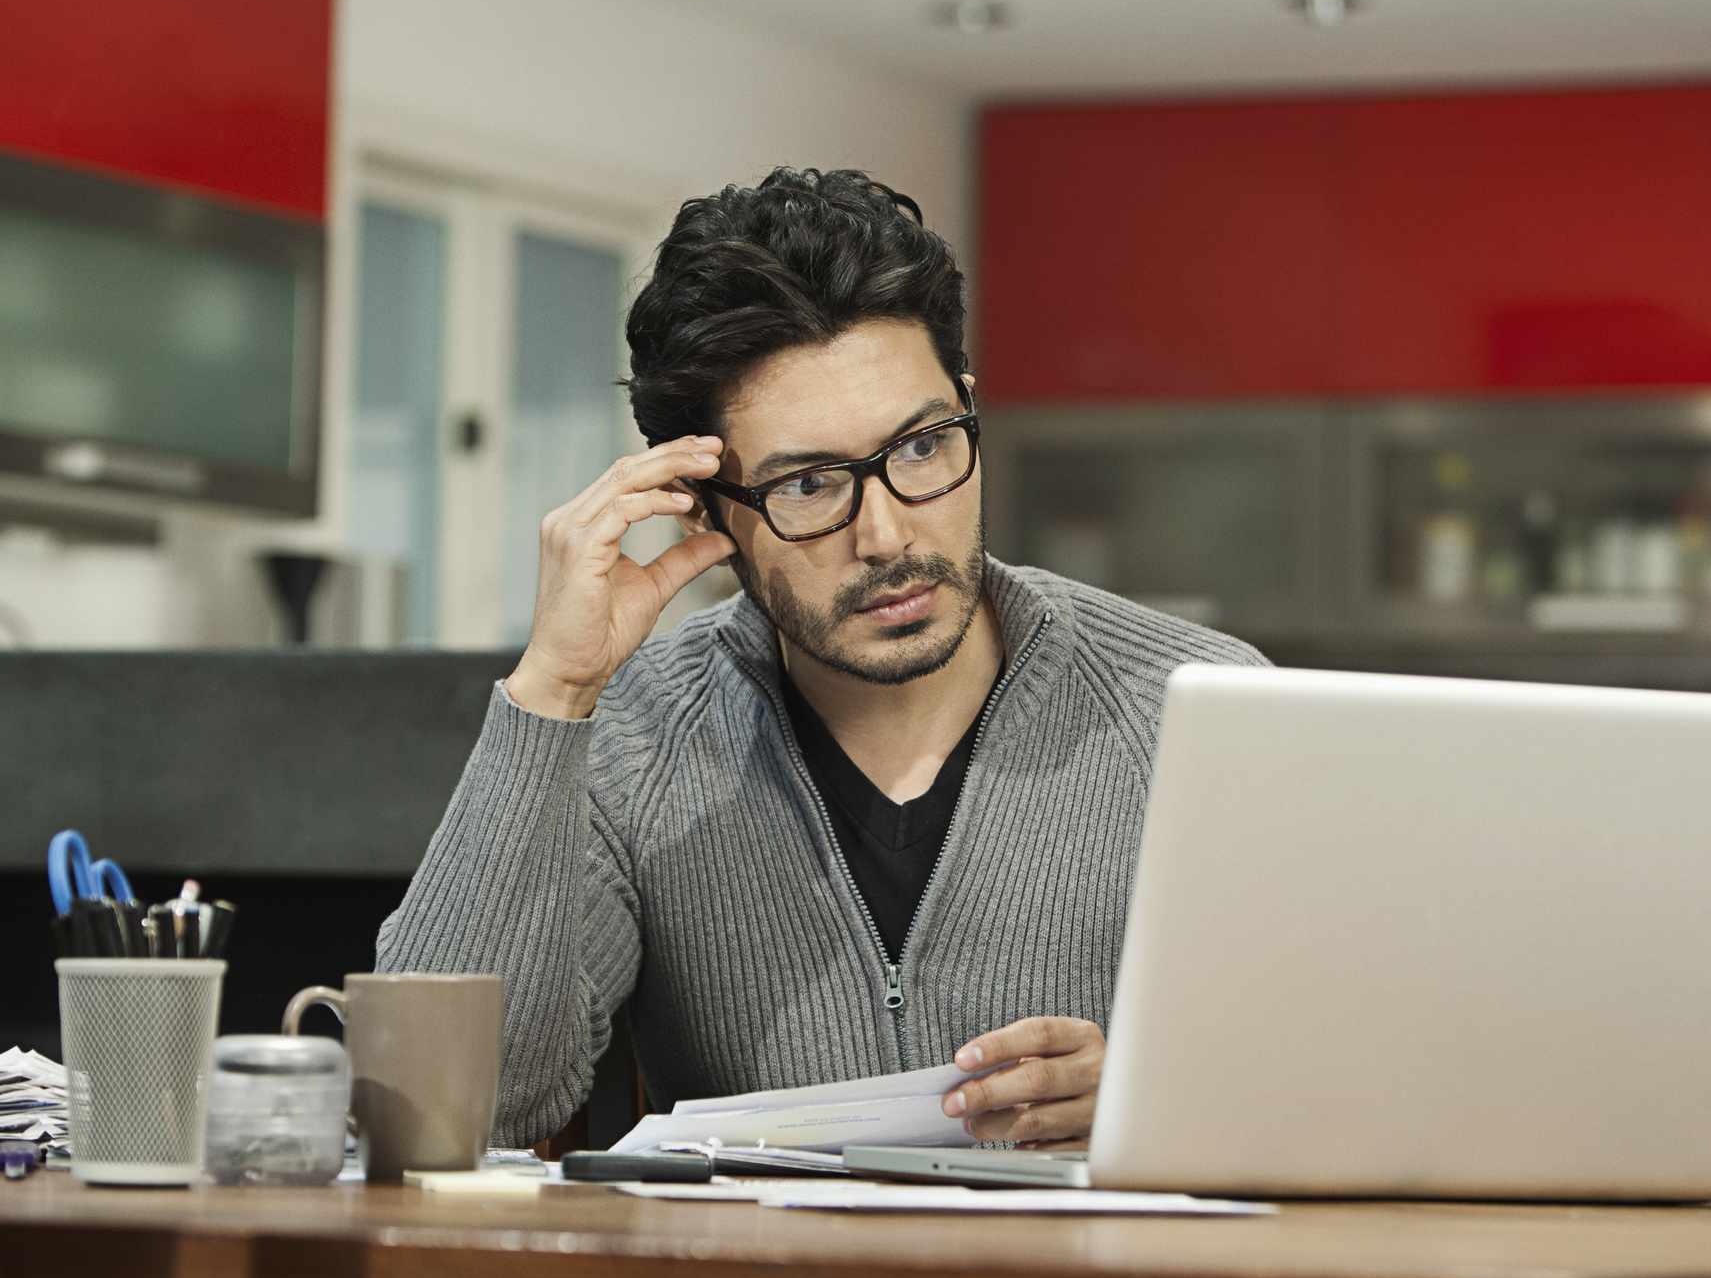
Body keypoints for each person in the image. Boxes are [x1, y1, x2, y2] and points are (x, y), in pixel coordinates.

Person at [377, 168, 1266, 1149]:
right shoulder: (637, 736)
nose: (886, 535)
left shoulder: (1200, 713)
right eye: (808, 484)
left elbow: (1373, 1074)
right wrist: (554, 689)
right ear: (707, 509)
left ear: (966, 411)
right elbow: (438, 1105)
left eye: (923, 448)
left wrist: (1174, 1094)